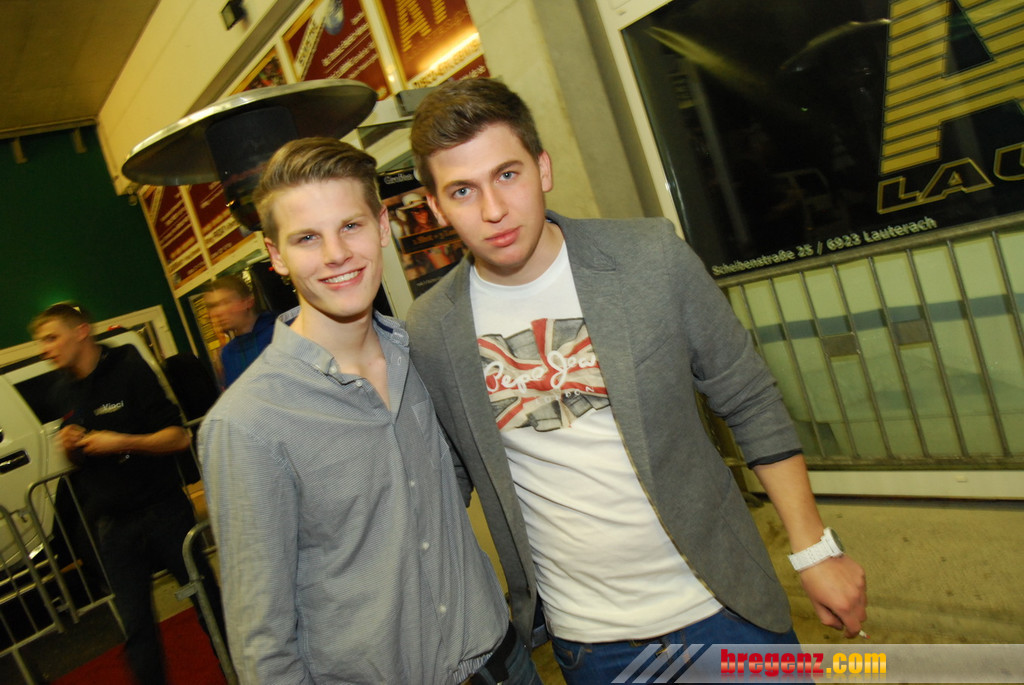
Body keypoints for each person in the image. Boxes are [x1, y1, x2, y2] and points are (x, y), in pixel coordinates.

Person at [406, 78, 868, 684]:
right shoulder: (432, 330)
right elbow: (443, 481)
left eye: (508, 174)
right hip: (592, 646)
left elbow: (749, 397)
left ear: (543, 168)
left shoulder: (649, 257)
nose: (493, 209)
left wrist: (814, 549)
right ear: (437, 207)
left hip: (724, 608)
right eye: (463, 190)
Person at [198, 137, 540, 685]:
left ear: (382, 226)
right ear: (276, 255)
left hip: (504, 663)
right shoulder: (247, 424)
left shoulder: (424, 356)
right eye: (307, 237)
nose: (336, 254)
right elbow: (262, 639)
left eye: (350, 226)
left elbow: (449, 484)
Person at [30, 303, 224, 685]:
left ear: (81, 331)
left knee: (207, 603)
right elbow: (81, 460)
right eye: (40, 342)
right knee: (136, 627)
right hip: (113, 525)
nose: (45, 349)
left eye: (51, 338)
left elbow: (178, 437)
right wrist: (69, 448)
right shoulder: (61, 391)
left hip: (162, 510)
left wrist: (122, 442)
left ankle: (245, 672)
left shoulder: (129, 367)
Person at [203, 274, 276, 387]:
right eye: (212, 306)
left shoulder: (279, 334)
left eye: (226, 302)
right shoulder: (228, 353)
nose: (217, 312)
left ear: (248, 301)